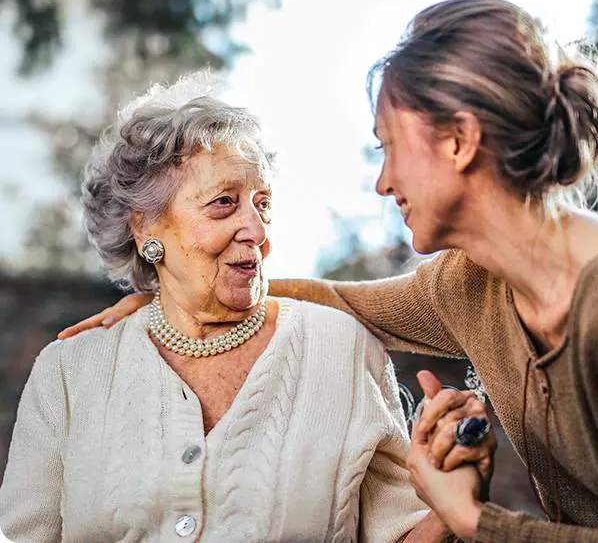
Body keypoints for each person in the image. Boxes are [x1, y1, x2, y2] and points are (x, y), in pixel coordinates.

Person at [59, 0, 598, 542]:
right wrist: (177, 294)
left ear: (459, 141)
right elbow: (343, 303)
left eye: (389, 148)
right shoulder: (471, 284)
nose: (382, 182)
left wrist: (469, 516)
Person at [0, 72, 493, 543]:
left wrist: (452, 508)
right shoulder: (68, 372)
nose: (257, 232)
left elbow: (401, 535)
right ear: (146, 227)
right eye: (223, 203)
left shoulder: (341, 349)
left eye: (263, 204)